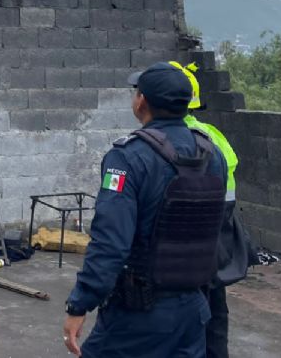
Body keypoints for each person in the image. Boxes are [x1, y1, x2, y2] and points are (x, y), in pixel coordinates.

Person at [63, 62, 228, 358]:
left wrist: (80, 304)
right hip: (194, 309)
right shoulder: (211, 154)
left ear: (142, 102)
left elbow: (110, 242)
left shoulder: (127, 158)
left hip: (138, 315)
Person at [172, 61, 254, 358]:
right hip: (218, 237)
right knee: (215, 315)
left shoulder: (174, 142)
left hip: (183, 249)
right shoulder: (212, 136)